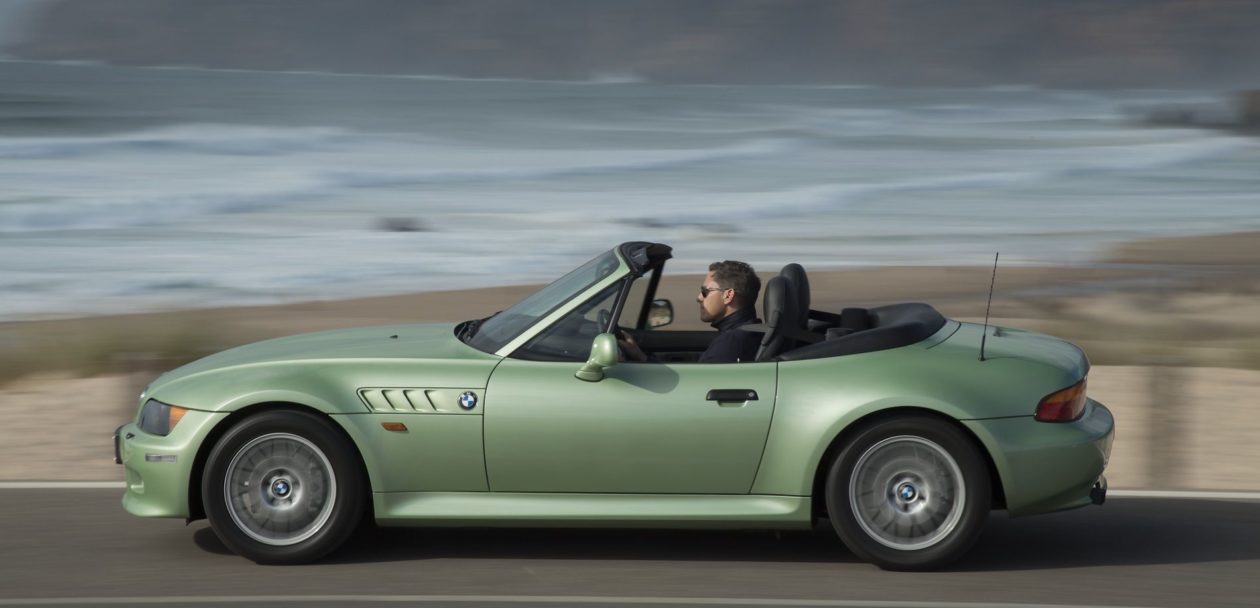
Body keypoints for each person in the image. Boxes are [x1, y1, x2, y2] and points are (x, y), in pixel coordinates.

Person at [620, 260, 762, 363]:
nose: (699, 298)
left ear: (728, 295)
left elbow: (693, 384)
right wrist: (642, 358)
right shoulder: (747, 334)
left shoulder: (732, 342)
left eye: (705, 291)